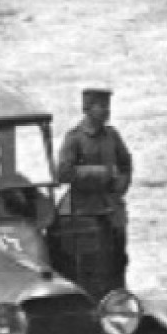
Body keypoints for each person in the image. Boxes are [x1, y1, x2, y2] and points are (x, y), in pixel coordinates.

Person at [55, 87, 133, 296]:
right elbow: (63, 173)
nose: (106, 111)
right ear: (87, 109)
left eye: (108, 106)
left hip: (112, 210)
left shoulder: (112, 135)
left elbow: (125, 163)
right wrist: (102, 173)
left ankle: (119, 304)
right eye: (101, 106)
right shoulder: (74, 138)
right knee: (90, 266)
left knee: (117, 261)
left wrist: (121, 186)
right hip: (84, 212)